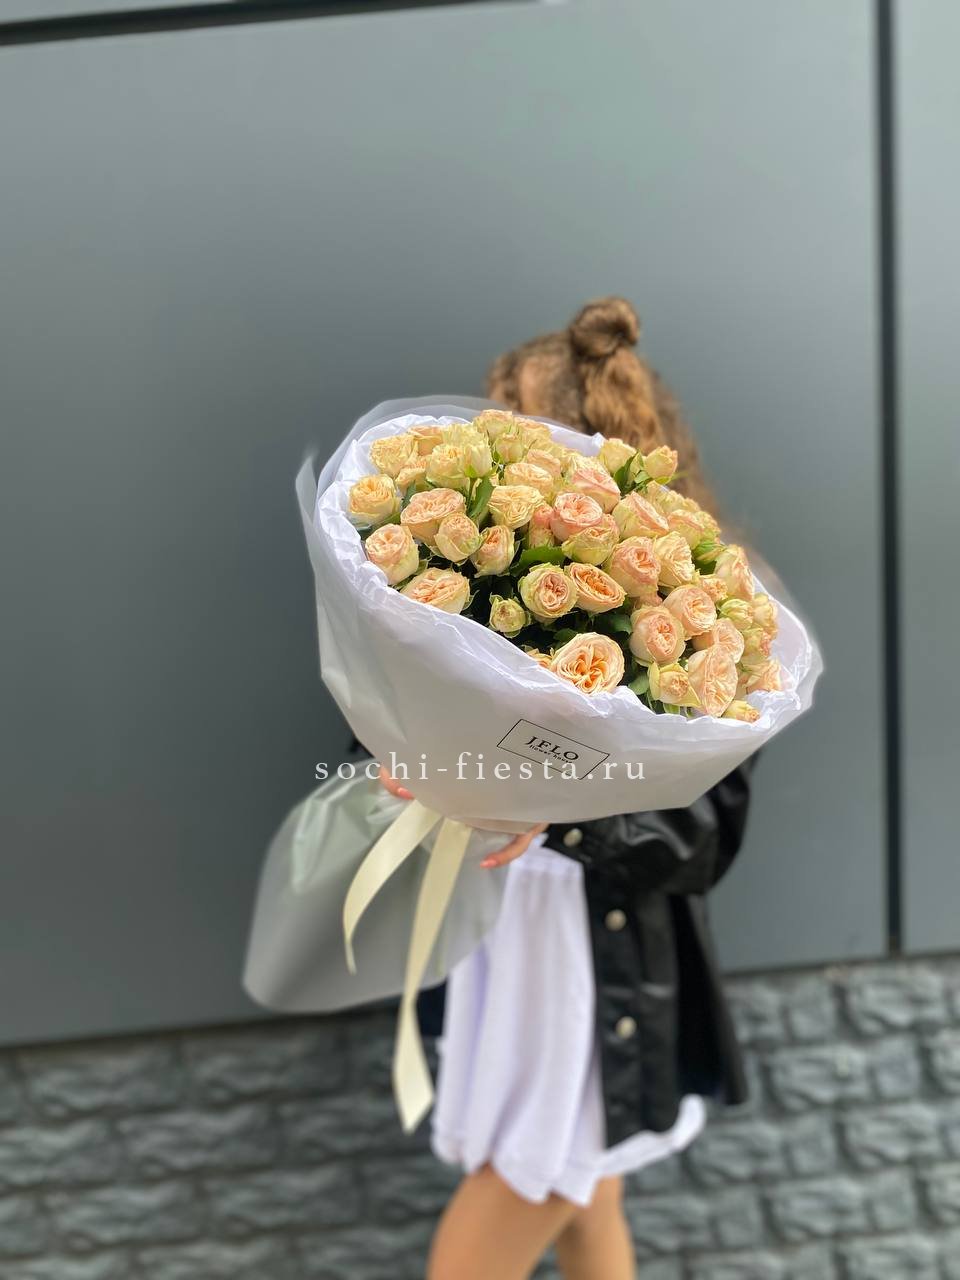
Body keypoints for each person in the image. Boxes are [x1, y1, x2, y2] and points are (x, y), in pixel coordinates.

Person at [385, 298, 757, 1280]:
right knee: (589, 1204)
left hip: (588, 954)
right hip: (499, 929)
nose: (488, 435)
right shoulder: (462, 567)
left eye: (510, 415)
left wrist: (561, 816)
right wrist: (405, 757)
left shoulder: (701, 603)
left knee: (531, 1192)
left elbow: (705, 831)